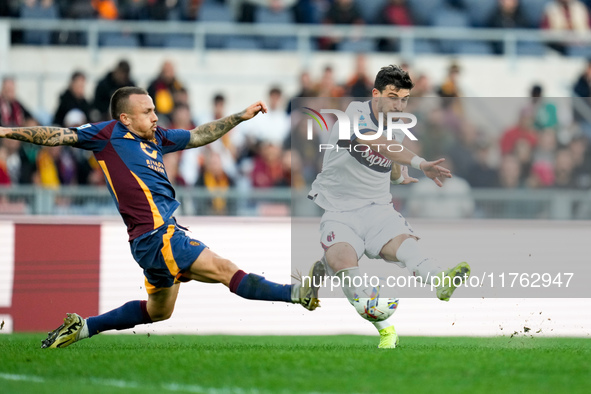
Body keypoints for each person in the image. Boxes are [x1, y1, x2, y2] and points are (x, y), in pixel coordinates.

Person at [0, 86, 325, 348]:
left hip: (151, 240)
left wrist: (239, 117)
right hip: (159, 236)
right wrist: (5, 131)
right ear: (125, 118)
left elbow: (198, 135)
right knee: (226, 269)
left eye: (155, 109)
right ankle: (297, 294)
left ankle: (83, 327)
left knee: (159, 311)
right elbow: (56, 135)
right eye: (148, 111)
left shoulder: (157, 138)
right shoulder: (107, 135)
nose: (156, 116)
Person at [305, 65, 471, 349]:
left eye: (404, 99)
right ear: (376, 94)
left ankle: (439, 281)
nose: (399, 105)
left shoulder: (398, 126)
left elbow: (390, 164)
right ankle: (386, 330)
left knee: (405, 246)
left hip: (378, 209)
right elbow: (379, 144)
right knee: (344, 262)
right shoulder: (354, 115)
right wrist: (419, 163)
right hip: (340, 211)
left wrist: (400, 175)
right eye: (393, 96)